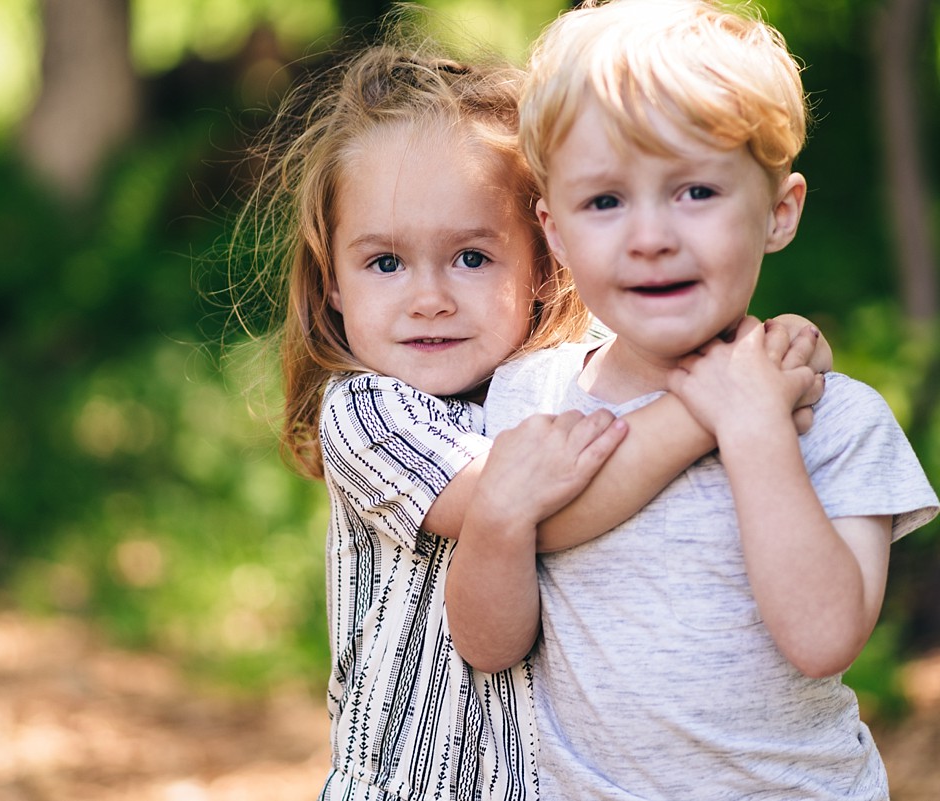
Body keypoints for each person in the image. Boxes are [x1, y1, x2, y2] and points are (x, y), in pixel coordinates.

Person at [234, 26, 831, 801]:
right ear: (335, 281)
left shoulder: (567, 373)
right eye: (385, 262)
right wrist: (719, 402)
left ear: (547, 258)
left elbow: (679, 362)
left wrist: (766, 353)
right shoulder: (369, 411)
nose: (430, 297)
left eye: (473, 257)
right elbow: (534, 508)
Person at [445, 1, 940, 798]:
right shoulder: (531, 394)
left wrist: (752, 428)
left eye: (695, 192)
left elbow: (823, 641)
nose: (650, 236)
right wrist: (499, 519)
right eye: (605, 202)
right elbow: (490, 646)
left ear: (779, 211)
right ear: (557, 231)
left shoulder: (835, 419)